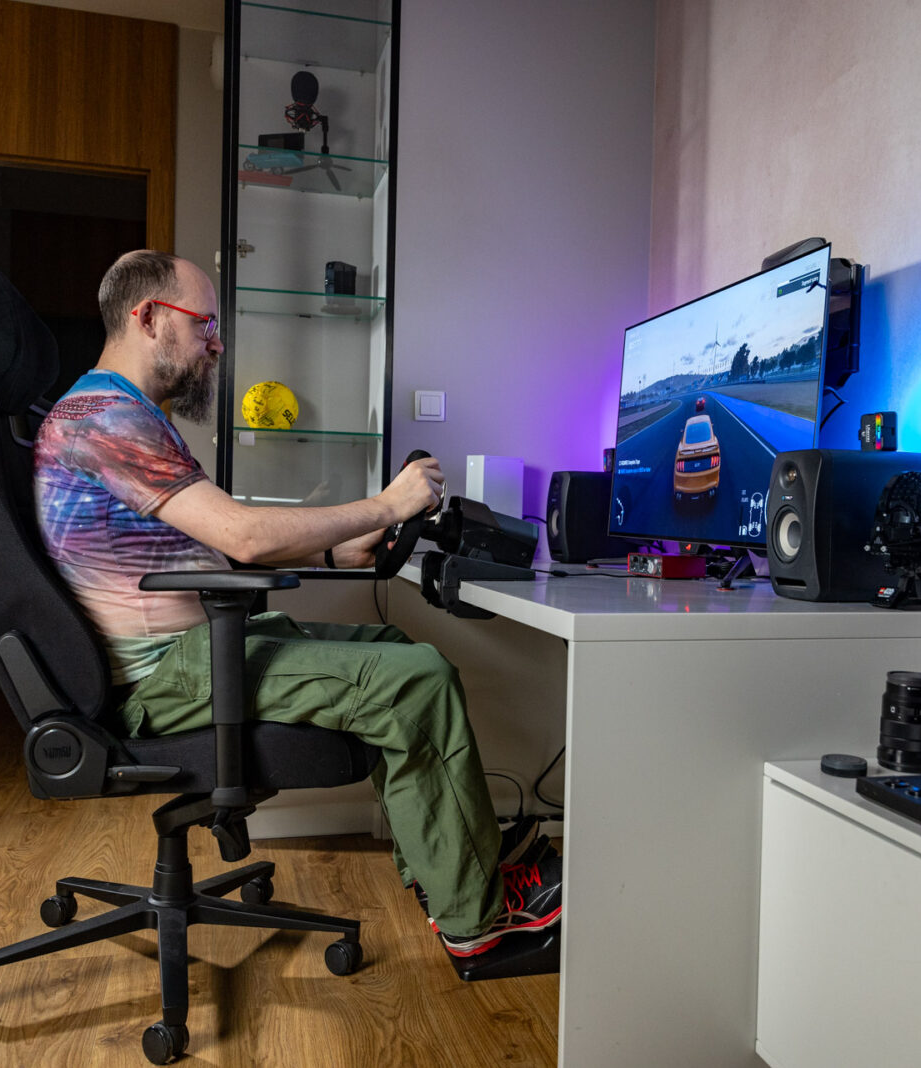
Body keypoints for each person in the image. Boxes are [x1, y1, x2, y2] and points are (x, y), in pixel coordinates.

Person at [32, 250, 558, 958]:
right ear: (149, 317)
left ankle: (455, 874)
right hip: (169, 676)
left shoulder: (120, 413)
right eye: (205, 323)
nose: (217, 343)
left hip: (202, 654)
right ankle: (478, 922)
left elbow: (207, 551)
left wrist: (335, 555)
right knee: (418, 681)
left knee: (399, 651)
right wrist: (386, 504)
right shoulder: (105, 419)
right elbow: (244, 536)